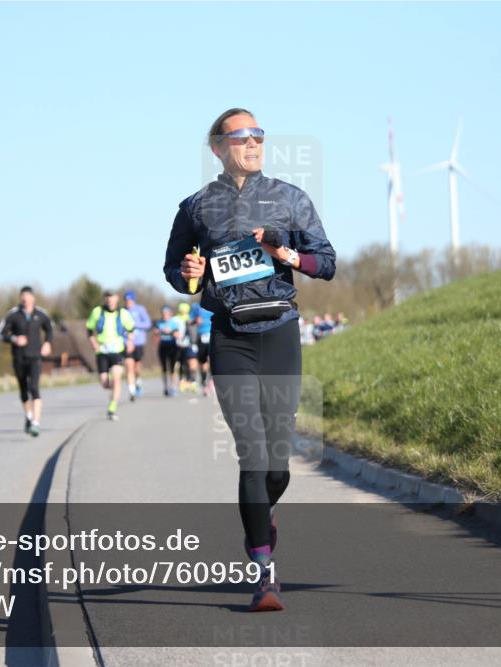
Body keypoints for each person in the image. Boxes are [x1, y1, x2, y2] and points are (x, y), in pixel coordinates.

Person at [164, 108, 336, 612]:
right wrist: (189, 270)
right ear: (218, 147)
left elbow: (325, 262)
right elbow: (177, 273)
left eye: (259, 135)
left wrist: (287, 257)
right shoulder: (196, 207)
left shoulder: (290, 199)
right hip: (231, 337)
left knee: (277, 466)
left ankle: (261, 519)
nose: (253, 143)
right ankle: (264, 573)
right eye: (241, 137)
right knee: (253, 455)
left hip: (280, 331)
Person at [0, 286, 53, 437]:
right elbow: (0, 333)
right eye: (23, 298)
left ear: (33, 298)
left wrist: (47, 343)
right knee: (23, 392)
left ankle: (35, 423)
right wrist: (14, 339)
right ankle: (28, 415)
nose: (26, 301)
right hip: (19, 358)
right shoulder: (13, 314)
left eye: (28, 298)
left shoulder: (41, 314)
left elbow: (50, 329)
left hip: (35, 357)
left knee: (34, 388)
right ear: (21, 299)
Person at [86, 291, 135, 421]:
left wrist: (130, 342)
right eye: (108, 301)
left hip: (117, 350)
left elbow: (131, 329)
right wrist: (93, 343)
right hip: (102, 351)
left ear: (117, 300)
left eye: (113, 301)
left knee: (117, 378)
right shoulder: (97, 311)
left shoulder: (123, 313)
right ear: (105, 300)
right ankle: (113, 391)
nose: (111, 304)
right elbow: (89, 329)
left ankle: (112, 408)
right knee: (105, 383)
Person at [123, 290, 152, 400]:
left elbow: (148, 324)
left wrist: (134, 324)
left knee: (137, 368)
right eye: (126, 300)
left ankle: (138, 381)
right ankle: (132, 390)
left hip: (139, 342)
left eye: (130, 300)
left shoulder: (140, 309)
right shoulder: (122, 311)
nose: (128, 302)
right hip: (126, 343)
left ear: (133, 300)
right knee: (129, 366)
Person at [154, 305, 182, 396]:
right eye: (163, 314)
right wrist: (159, 331)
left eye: (166, 314)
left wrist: (170, 332)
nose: (165, 315)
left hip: (172, 346)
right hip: (162, 346)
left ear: (170, 314)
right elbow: (155, 332)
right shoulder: (159, 322)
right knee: (164, 368)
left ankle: (173, 387)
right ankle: (166, 387)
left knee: (172, 368)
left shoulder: (173, 322)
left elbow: (178, 335)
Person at [190, 301, 215, 395]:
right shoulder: (196, 306)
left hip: (212, 334)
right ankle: (204, 382)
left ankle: (212, 382)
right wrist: (195, 320)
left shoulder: (214, 303)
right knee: (202, 361)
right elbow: (190, 320)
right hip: (201, 336)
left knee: (212, 359)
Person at [175, 302, 199, 393]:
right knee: (182, 364)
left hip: (190, 345)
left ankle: (192, 381)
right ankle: (183, 381)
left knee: (192, 363)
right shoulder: (175, 319)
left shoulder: (191, 319)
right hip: (178, 345)